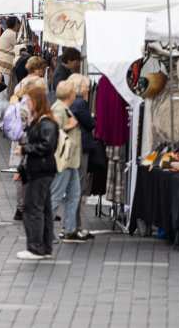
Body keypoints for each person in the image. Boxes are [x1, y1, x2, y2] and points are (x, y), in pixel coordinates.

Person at [15, 80, 59, 260]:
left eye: (30, 101)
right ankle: (44, 247)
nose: (27, 104)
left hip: (41, 169)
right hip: (42, 168)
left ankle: (36, 247)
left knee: (33, 208)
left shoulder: (45, 122)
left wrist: (25, 149)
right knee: (44, 209)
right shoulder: (42, 121)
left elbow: (46, 145)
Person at [48, 80, 86, 243]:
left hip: (70, 160)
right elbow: (53, 130)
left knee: (74, 194)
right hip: (63, 159)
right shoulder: (59, 108)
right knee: (56, 195)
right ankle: (46, 231)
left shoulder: (63, 108)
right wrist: (69, 126)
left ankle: (70, 229)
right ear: (70, 94)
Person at [66, 73, 96, 239]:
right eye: (86, 86)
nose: (88, 89)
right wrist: (94, 117)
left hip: (75, 147)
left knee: (75, 186)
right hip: (80, 147)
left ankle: (74, 224)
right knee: (77, 187)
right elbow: (90, 124)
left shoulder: (71, 103)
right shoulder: (80, 103)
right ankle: (73, 225)